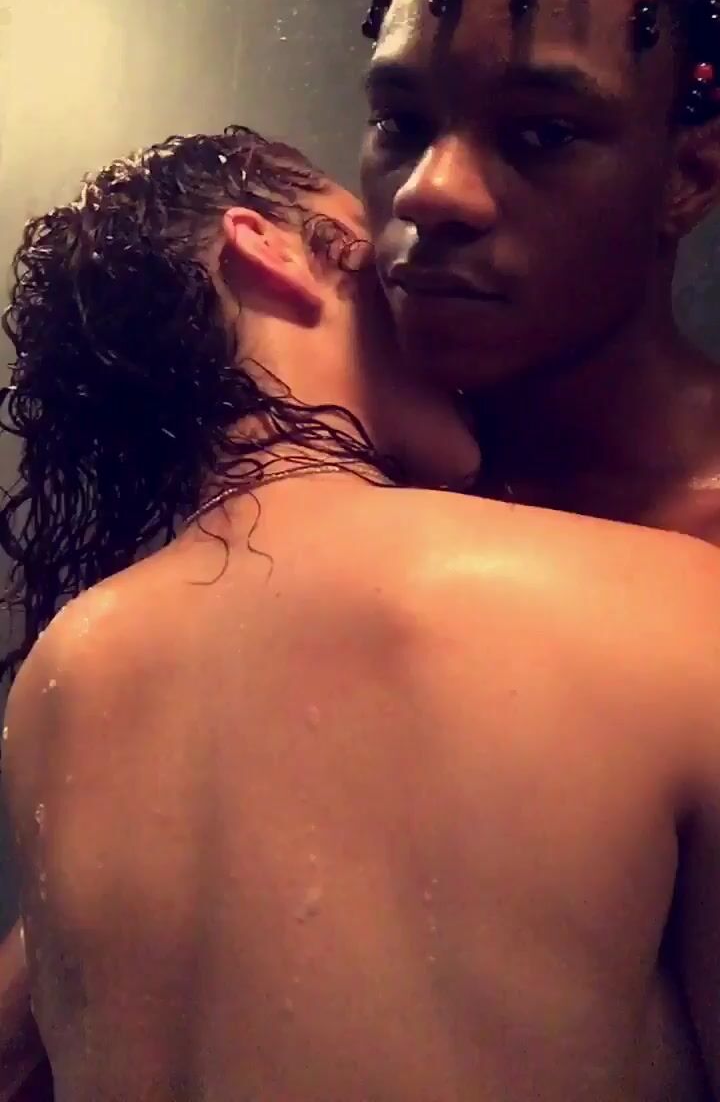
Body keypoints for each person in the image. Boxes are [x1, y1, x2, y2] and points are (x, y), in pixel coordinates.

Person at [2, 126, 720, 1101]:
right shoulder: (660, 605)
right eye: (372, 250)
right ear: (269, 248)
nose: (422, 305)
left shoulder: (61, 677)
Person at [360, 0, 720, 544]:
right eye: (400, 123)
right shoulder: (340, 485)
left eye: (544, 133)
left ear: (692, 177)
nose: (430, 191)